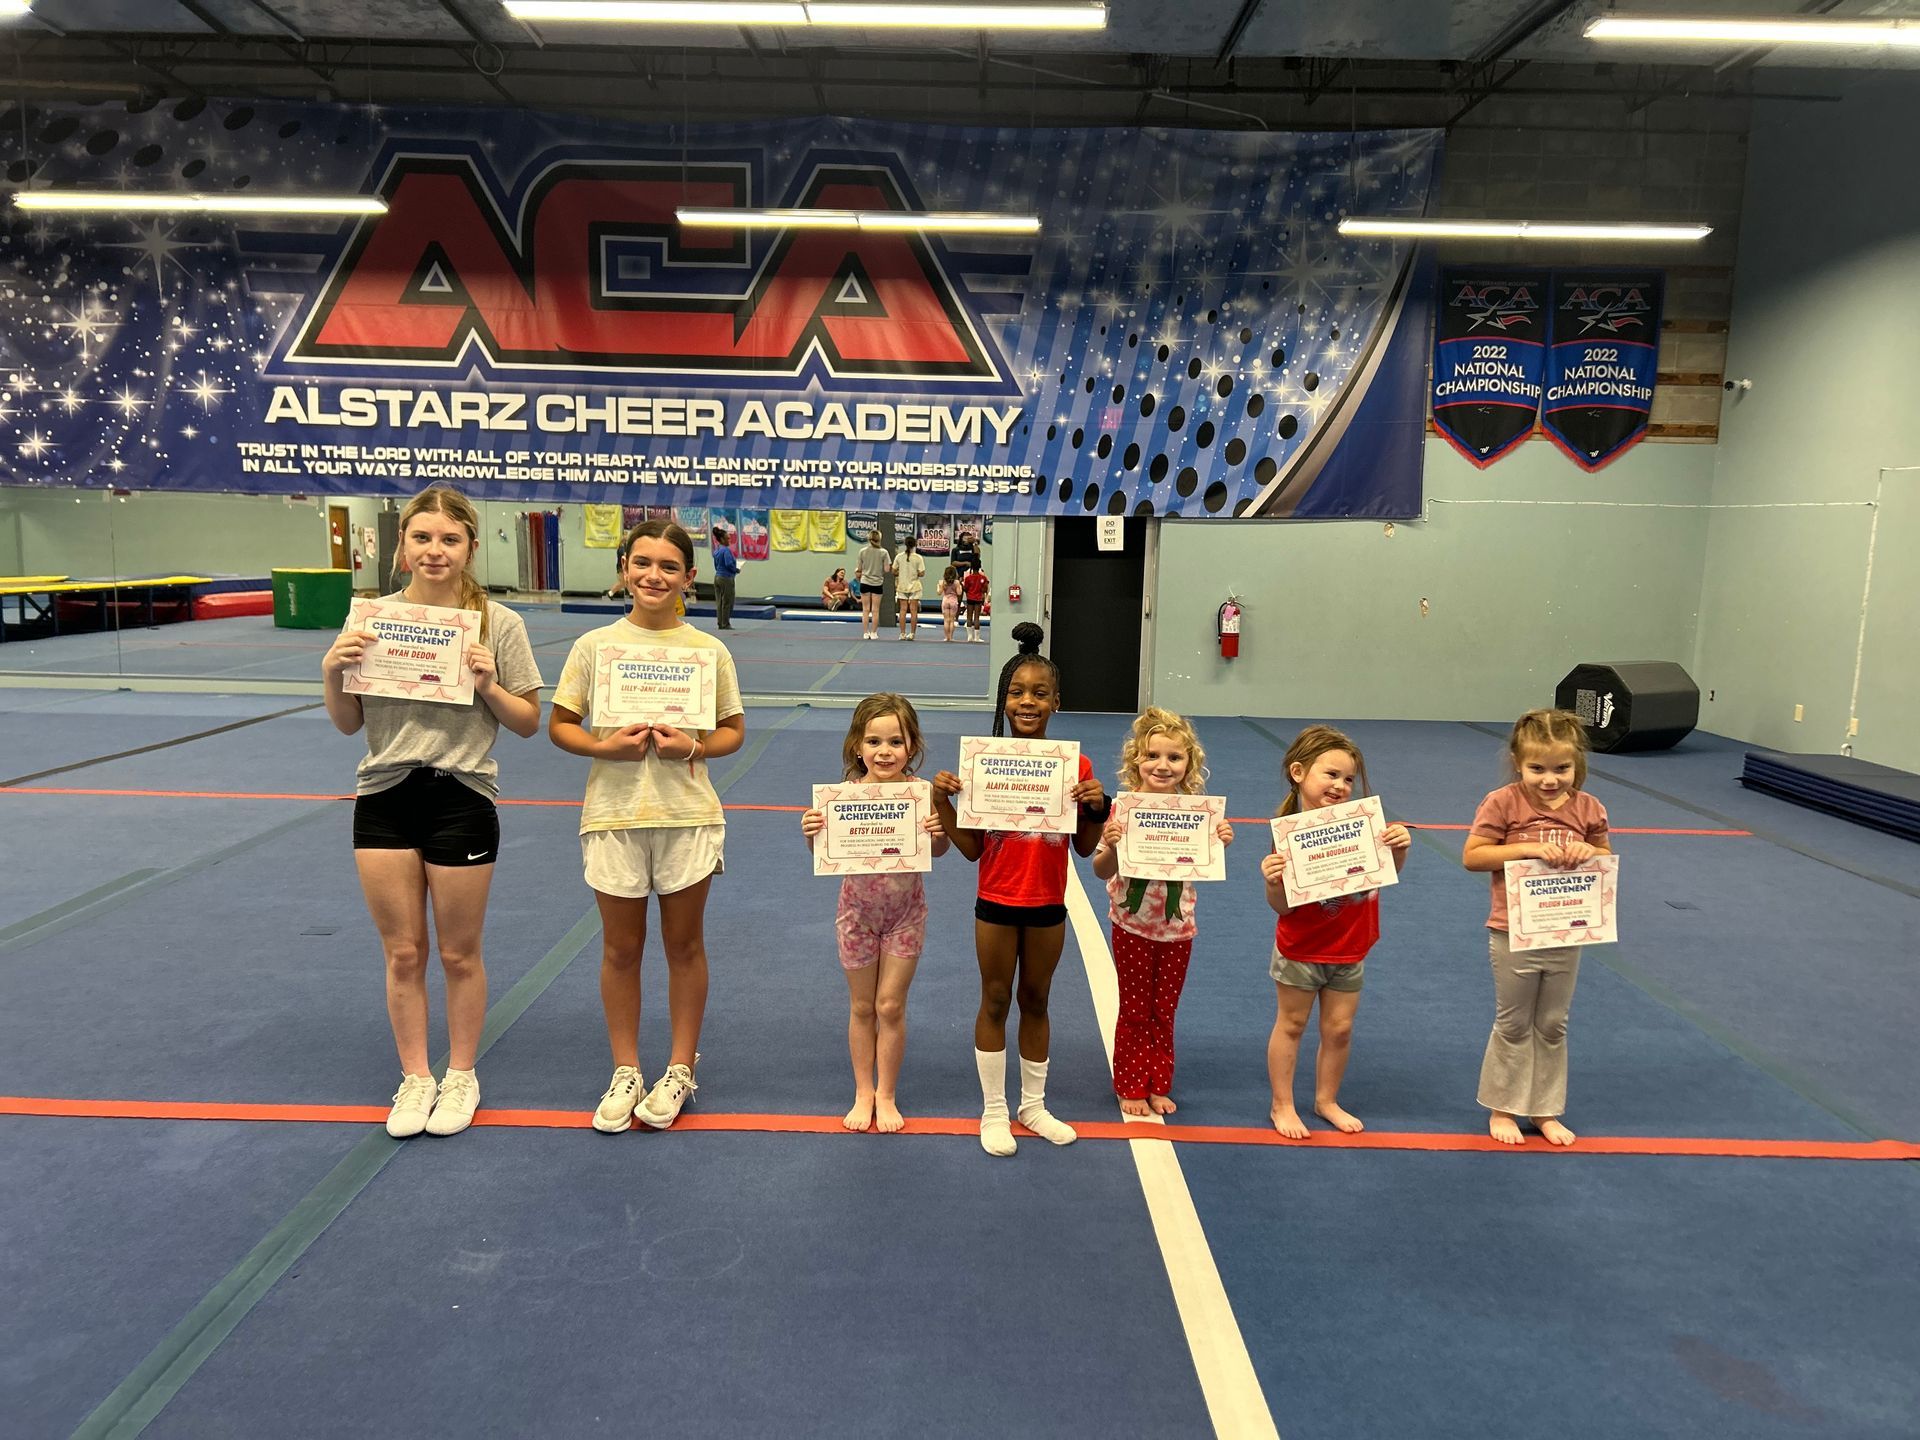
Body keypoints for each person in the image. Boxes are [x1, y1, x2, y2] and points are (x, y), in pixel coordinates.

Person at [321, 485, 543, 1139]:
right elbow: (346, 723)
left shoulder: (499, 624)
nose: (435, 550)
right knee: (401, 952)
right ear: (402, 547)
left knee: (458, 953)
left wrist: (488, 684)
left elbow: (529, 721)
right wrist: (333, 672)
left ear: (471, 547)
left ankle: (462, 1074)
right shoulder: (371, 619)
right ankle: (416, 1076)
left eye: (449, 539)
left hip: (462, 795)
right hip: (384, 794)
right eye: (422, 538)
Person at [549, 520, 745, 1133]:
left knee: (684, 946)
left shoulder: (709, 651)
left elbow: (732, 731)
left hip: (687, 816)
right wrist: (605, 750)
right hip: (613, 815)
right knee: (620, 948)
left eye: (667, 566)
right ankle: (627, 1067)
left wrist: (693, 748)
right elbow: (562, 724)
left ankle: (681, 1066)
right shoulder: (594, 647)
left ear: (689, 576)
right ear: (623, 569)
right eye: (641, 563)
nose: (653, 575)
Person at [932, 622, 1108, 1157]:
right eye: (1016, 692)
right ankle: (993, 1109)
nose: (1026, 702)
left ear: (1057, 700)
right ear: (1004, 700)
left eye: (1038, 693)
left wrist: (1096, 806)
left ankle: (1032, 1104)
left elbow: (1082, 847)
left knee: (1036, 999)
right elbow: (970, 848)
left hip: (1048, 905)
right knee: (993, 999)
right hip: (996, 903)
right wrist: (943, 801)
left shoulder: (1075, 767)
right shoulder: (983, 764)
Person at [800, 693, 951, 1132]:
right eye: (874, 742)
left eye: (895, 742)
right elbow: (825, 853)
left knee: (890, 1005)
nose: (884, 752)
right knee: (863, 1005)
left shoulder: (920, 796)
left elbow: (937, 852)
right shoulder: (842, 797)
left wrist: (938, 832)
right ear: (857, 747)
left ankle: (886, 1092)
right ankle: (863, 1090)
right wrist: (813, 832)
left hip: (905, 915)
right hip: (856, 917)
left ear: (912, 746)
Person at [1462, 709, 1611, 1147]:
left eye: (1562, 769)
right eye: (1537, 769)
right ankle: (1503, 1106)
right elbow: (1473, 856)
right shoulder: (1503, 802)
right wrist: (1530, 848)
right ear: (1517, 762)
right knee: (1513, 1022)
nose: (1550, 780)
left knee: (1552, 1023)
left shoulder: (1588, 807)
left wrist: (1587, 851)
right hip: (1513, 929)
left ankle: (1545, 1109)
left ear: (1577, 764)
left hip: (1565, 928)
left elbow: (1606, 858)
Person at [1262, 725, 1411, 1139]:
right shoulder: (1288, 832)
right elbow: (1282, 907)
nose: (1341, 786)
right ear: (1298, 772)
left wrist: (1397, 851)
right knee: (1291, 1023)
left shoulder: (1363, 828)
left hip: (1351, 946)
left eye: (1348, 779)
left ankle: (1326, 1099)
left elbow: (1381, 877)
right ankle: (1282, 1103)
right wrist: (1273, 882)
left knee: (1339, 1029)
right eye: (1331, 775)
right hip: (1301, 949)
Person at [1091, 708, 1234, 1116]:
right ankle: (1131, 1084)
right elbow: (1101, 868)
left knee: (1164, 1010)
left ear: (1190, 764)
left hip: (1178, 929)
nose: (1163, 765)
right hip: (1132, 926)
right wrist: (1114, 844)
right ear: (1136, 759)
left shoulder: (1196, 813)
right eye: (1153, 755)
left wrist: (1220, 838)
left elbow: (1204, 861)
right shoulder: (1123, 811)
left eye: (1175, 757)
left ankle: (1159, 1083)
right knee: (1136, 1008)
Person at [854, 530, 889, 640]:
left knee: (865, 609)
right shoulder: (884, 552)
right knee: (875, 610)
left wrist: (862, 571)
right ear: (879, 539)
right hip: (877, 582)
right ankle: (874, 632)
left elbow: (859, 569)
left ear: (868, 539)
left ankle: (865, 632)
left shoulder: (862, 551)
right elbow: (887, 569)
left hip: (865, 581)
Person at [893, 534, 926, 640]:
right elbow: (922, 573)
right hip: (914, 586)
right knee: (913, 611)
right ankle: (912, 634)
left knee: (902, 610)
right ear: (914, 545)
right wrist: (914, 573)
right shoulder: (918, 558)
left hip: (902, 585)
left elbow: (893, 571)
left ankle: (902, 634)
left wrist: (901, 572)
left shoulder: (899, 557)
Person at [710, 525, 739, 630]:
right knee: (727, 602)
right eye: (727, 539)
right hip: (726, 578)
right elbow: (729, 564)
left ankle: (720, 622)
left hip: (717, 577)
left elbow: (716, 565)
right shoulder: (726, 550)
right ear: (722, 539)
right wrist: (736, 569)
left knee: (719, 602)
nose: (729, 540)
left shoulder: (717, 551)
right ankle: (725, 623)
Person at [961, 565, 989, 643]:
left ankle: (969, 636)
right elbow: (985, 589)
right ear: (979, 567)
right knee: (977, 618)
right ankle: (977, 637)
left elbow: (965, 588)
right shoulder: (983, 578)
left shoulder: (968, 578)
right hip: (978, 599)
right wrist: (980, 592)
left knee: (969, 617)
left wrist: (969, 591)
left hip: (970, 598)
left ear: (972, 569)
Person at [937, 565, 962, 642]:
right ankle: (950, 637)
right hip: (953, 601)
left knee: (946, 620)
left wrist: (939, 586)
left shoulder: (942, 582)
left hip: (945, 601)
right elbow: (959, 593)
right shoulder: (956, 582)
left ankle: (946, 637)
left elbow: (939, 592)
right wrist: (960, 586)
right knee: (952, 620)